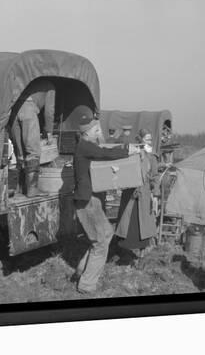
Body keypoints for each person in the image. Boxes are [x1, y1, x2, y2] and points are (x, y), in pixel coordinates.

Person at [72, 106, 138, 293]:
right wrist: (128, 149)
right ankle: (86, 285)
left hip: (91, 200)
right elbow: (105, 154)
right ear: (88, 132)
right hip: (88, 201)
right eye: (97, 130)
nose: (100, 132)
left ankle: (81, 271)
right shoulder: (85, 146)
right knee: (100, 243)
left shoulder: (85, 145)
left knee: (106, 235)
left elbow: (103, 151)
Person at [115, 129, 159, 262]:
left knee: (143, 223)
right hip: (130, 194)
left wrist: (155, 193)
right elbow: (124, 171)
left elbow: (154, 176)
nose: (149, 141)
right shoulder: (132, 153)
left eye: (150, 139)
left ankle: (142, 252)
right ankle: (123, 252)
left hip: (144, 194)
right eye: (147, 138)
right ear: (140, 139)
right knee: (128, 221)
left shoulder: (152, 157)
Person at [10, 79, 55, 197]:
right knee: (33, 152)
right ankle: (32, 189)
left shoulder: (29, 79)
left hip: (14, 111)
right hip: (29, 110)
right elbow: (49, 111)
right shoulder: (50, 86)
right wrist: (49, 132)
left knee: (19, 153)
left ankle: (18, 188)